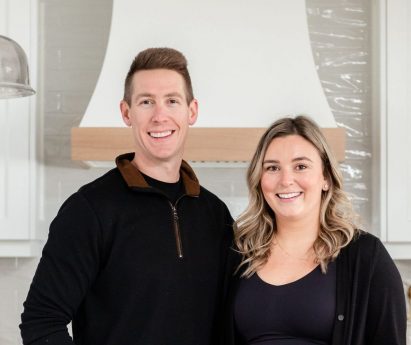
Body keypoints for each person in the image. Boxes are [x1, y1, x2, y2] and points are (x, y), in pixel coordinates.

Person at [20, 48, 234, 345]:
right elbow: (42, 321)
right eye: (146, 102)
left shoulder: (215, 215)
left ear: (191, 111)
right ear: (126, 112)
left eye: (172, 101)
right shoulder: (90, 210)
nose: (160, 116)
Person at [225, 116, 406, 345]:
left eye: (301, 166)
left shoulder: (366, 257)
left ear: (326, 178)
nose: (286, 180)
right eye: (272, 168)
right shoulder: (239, 254)